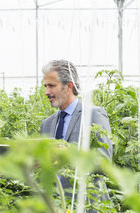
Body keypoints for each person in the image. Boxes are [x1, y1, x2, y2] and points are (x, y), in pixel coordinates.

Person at [40, 59, 112, 204]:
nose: (47, 92)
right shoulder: (47, 124)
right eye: (46, 86)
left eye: (51, 86)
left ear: (68, 86)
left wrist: (69, 154)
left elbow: (104, 162)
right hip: (57, 208)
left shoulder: (92, 115)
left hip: (87, 207)